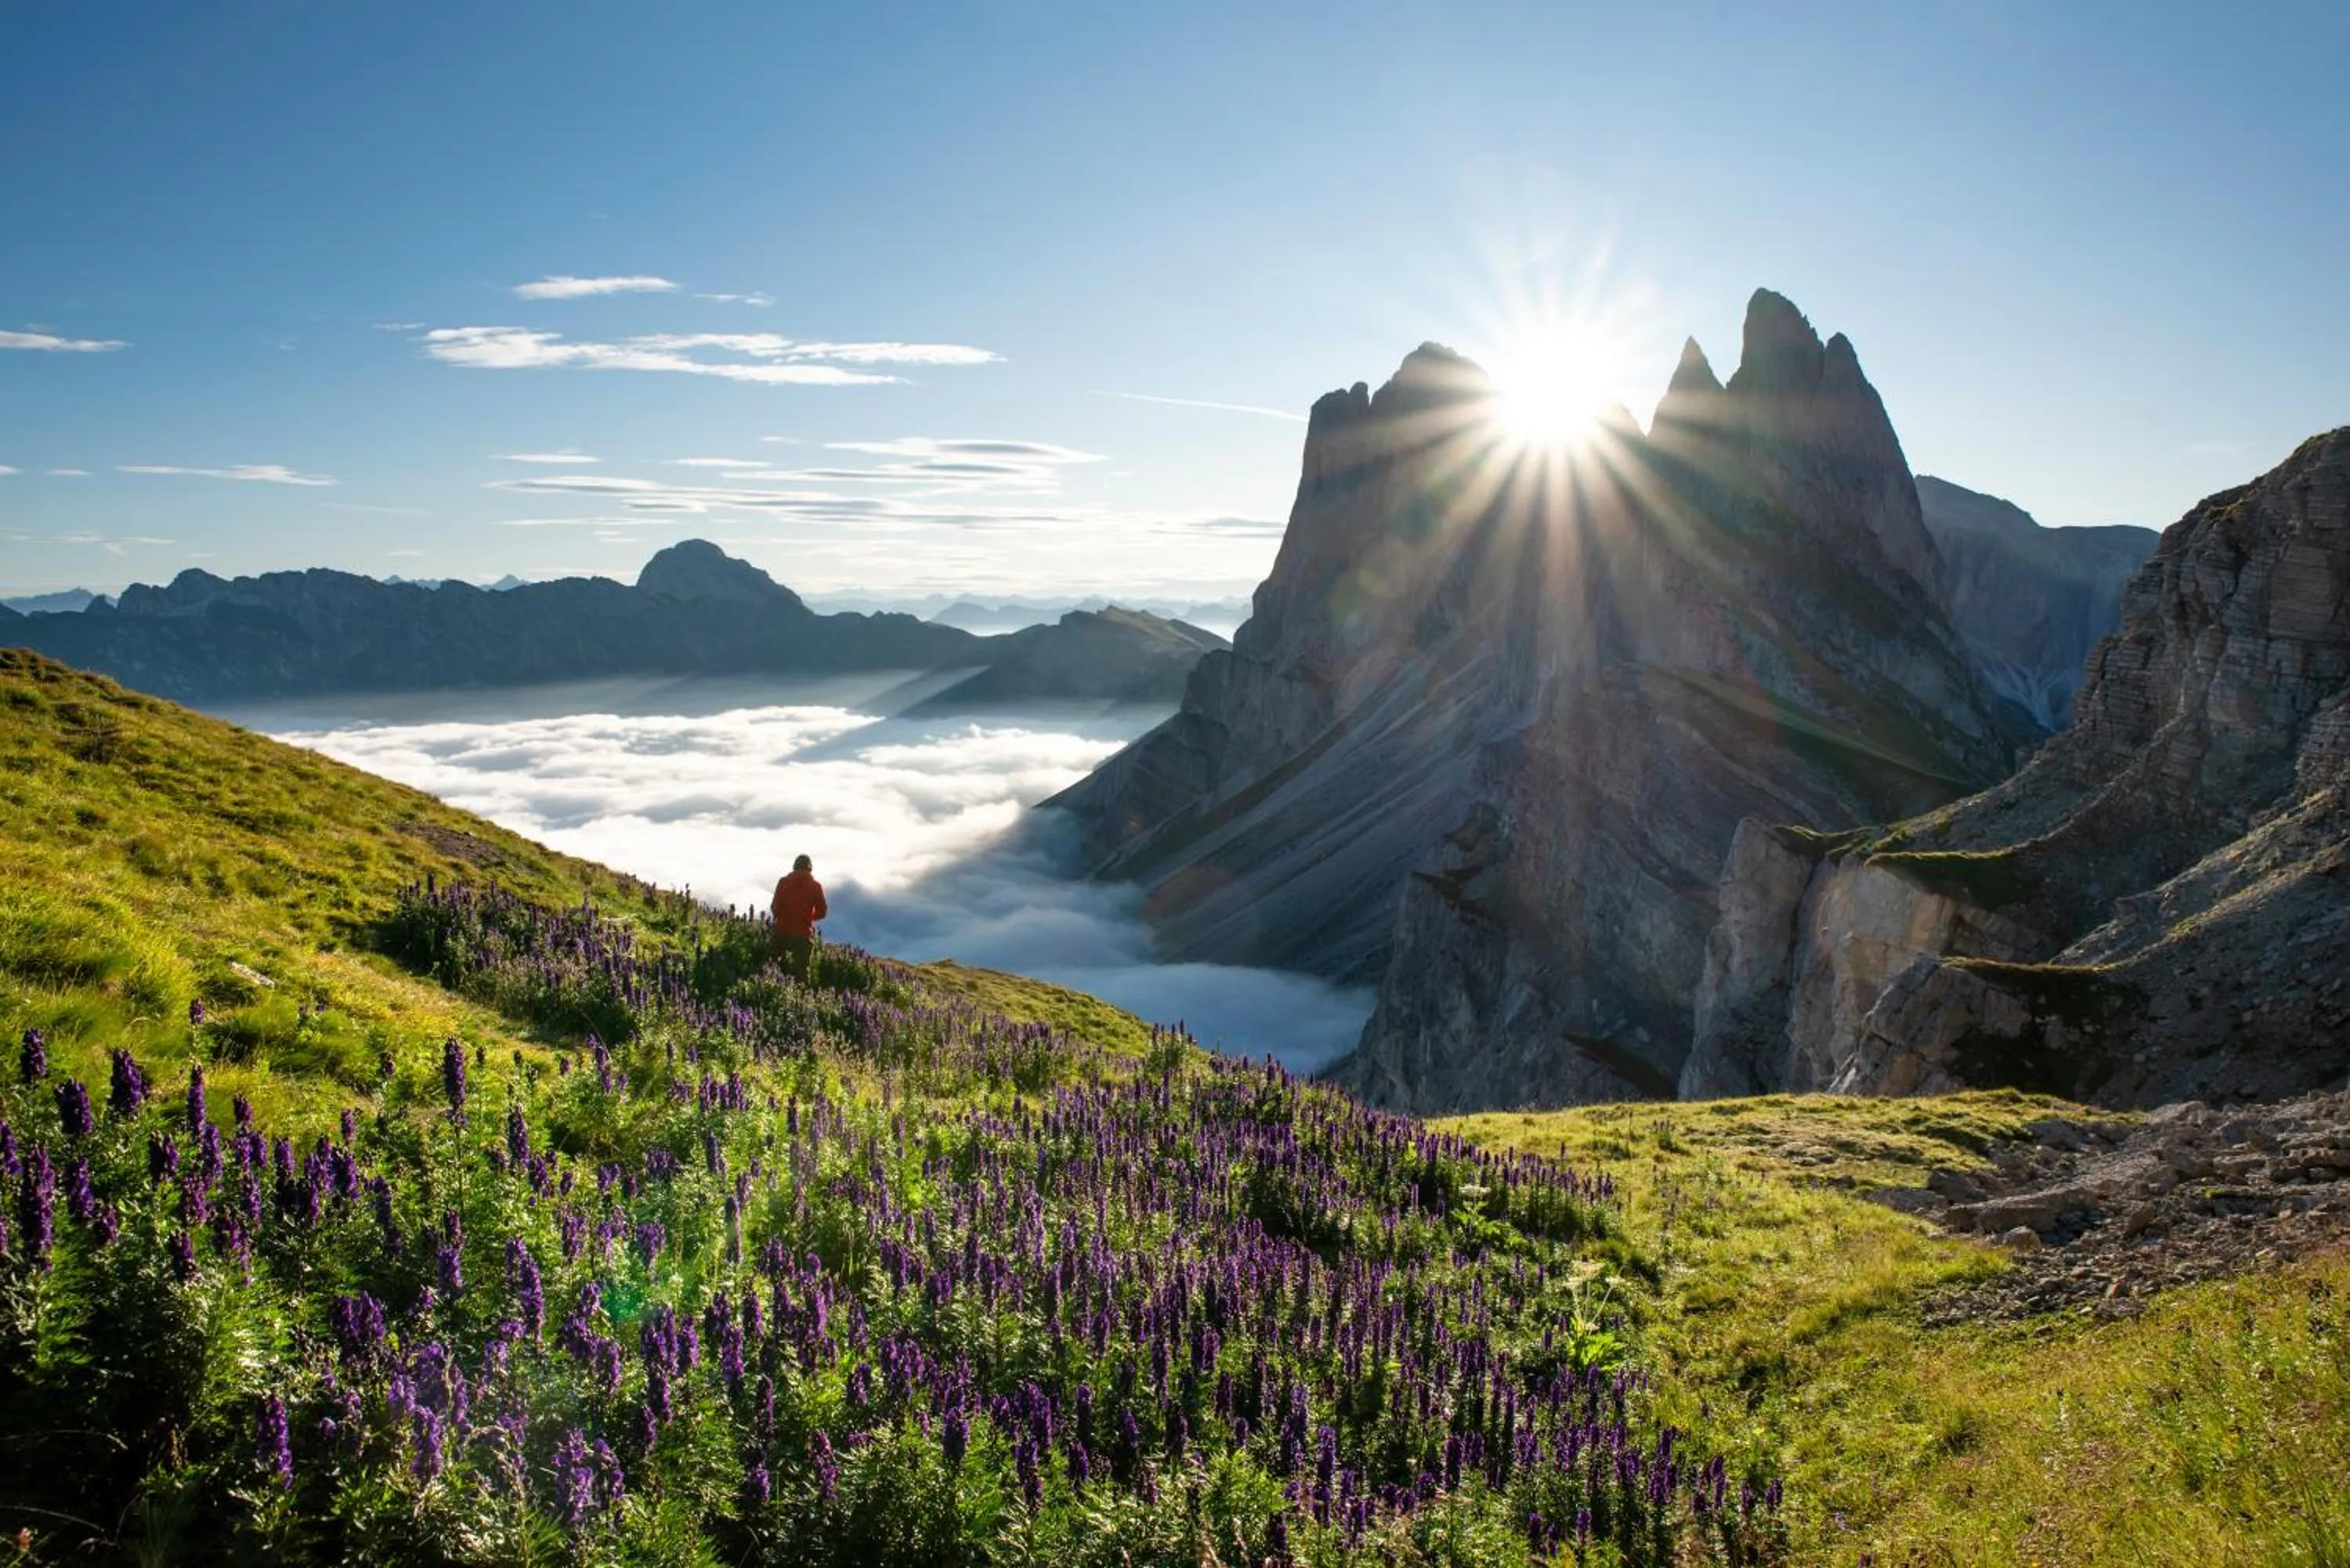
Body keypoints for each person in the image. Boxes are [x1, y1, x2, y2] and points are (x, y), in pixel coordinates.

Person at [770, 853, 827, 984]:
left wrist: (783, 917)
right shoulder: (815, 887)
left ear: (794, 867)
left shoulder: (783, 882)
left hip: (781, 931)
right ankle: (800, 1000)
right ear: (810, 868)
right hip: (802, 934)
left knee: (768, 964)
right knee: (801, 974)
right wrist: (807, 918)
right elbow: (822, 912)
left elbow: (775, 908)